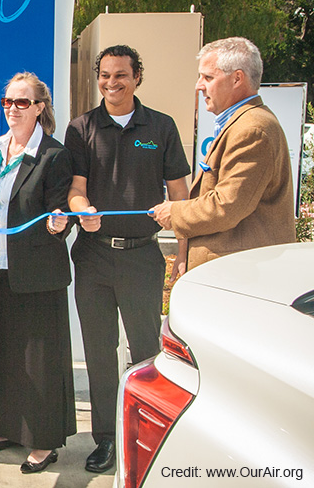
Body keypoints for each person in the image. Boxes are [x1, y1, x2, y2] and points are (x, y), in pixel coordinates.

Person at [65, 45, 190, 473]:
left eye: (121, 75)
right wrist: (82, 208)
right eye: (104, 75)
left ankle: (147, 436)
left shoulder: (161, 126)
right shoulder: (81, 128)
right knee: (100, 354)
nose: (111, 83)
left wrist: (185, 256)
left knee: (145, 354)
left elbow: (180, 198)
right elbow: (76, 188)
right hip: (94, 258)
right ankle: (106, 439)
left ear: (137, 77)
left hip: (142, 260)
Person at [0, 73, 75, 474]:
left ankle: (43, 441)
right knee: (6, 354)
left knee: (41, 360)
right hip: (0, 267)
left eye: (22, 102)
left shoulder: (53, 154)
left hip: (38, 273)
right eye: (8, 102)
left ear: (40, 107)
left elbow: (60, 209)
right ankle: (6, 428)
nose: (13, 109)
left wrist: (59, 224)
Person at [151, 37, 296, 268]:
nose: (199, 85)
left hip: (241, 273)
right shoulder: (245, 123)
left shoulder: (252, 129)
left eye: (208, 77)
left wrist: (175, 212)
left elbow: (227, 206)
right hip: (235, 271)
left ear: (237, 78)